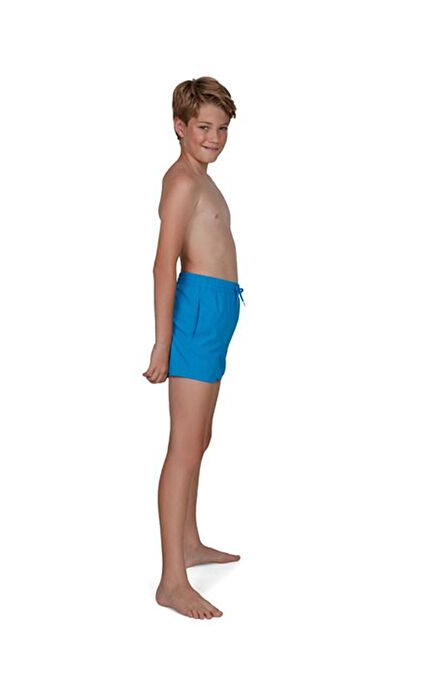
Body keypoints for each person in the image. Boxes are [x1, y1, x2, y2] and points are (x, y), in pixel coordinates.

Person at [142, 76, 245, 619]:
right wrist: (163, 343)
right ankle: (171, 582)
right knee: (183, 445)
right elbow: (164, 264)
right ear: (179, 126)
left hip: (217, 310)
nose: (214, 138)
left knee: (199, 438)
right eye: (204, 127)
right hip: (198, 313)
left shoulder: (202, 178)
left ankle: (188, 542)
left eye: (222, 128)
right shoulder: (182, 181)